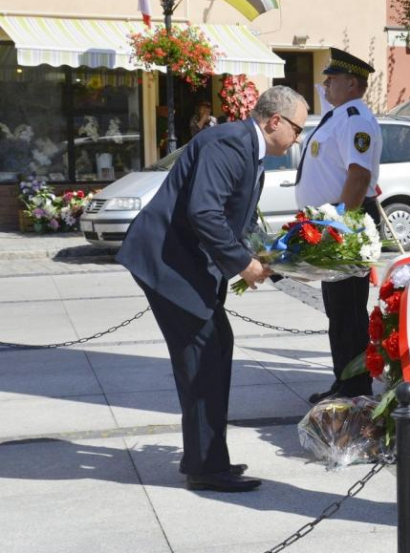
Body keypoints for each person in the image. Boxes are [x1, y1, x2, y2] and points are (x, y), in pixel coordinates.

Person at [116, 86, 309, 492]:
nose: (298, 137)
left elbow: (231, 217)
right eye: (297, 128)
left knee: (216, 346)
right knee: (202, 358)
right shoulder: (229, 143)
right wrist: (243, 263)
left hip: (185, 263)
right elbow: (203, 211)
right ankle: (205, 468)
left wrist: (266, 257)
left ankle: (207, 458)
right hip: (168, 262)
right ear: (275, 121)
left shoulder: (246, 148)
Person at [295, 48, 382, 404]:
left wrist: (341, 228)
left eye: (333, 79)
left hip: (345, 222)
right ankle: (343, 380)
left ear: (352, 84)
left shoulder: (354, 118)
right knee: (337, 308)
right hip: (331, 221)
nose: (325, 83)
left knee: (348, 309)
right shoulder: (338, 116)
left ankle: (355, 387)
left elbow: (358, 177)